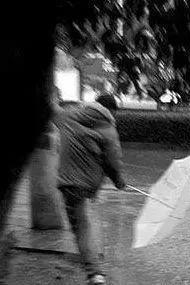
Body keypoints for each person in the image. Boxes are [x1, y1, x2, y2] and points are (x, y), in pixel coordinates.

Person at [55, 94, 125, 285]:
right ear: (110, 111)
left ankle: (94, 271)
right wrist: (119, 181)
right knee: (83, 225)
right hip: (87, 184)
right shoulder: (108, 128)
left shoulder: (68, 116)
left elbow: (52, 113)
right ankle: (95, 273)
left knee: (80, 226)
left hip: (67, 182)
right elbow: (113, 161)